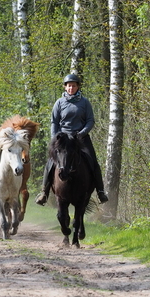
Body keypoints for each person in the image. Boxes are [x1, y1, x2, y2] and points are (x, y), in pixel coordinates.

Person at [35, 73, 109, 205]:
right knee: (51, 162)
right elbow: (54, 122)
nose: (71, 88)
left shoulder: (85, 102)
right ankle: (44, 192)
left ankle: (100, 191)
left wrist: (81, 133)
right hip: (63, 139)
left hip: (80, 138)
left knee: (92, 161)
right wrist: (55, 137)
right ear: (65, 87)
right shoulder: (59, 102)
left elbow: (90, 120)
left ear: (78, 87)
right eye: (69, 86)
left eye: (73, 86)